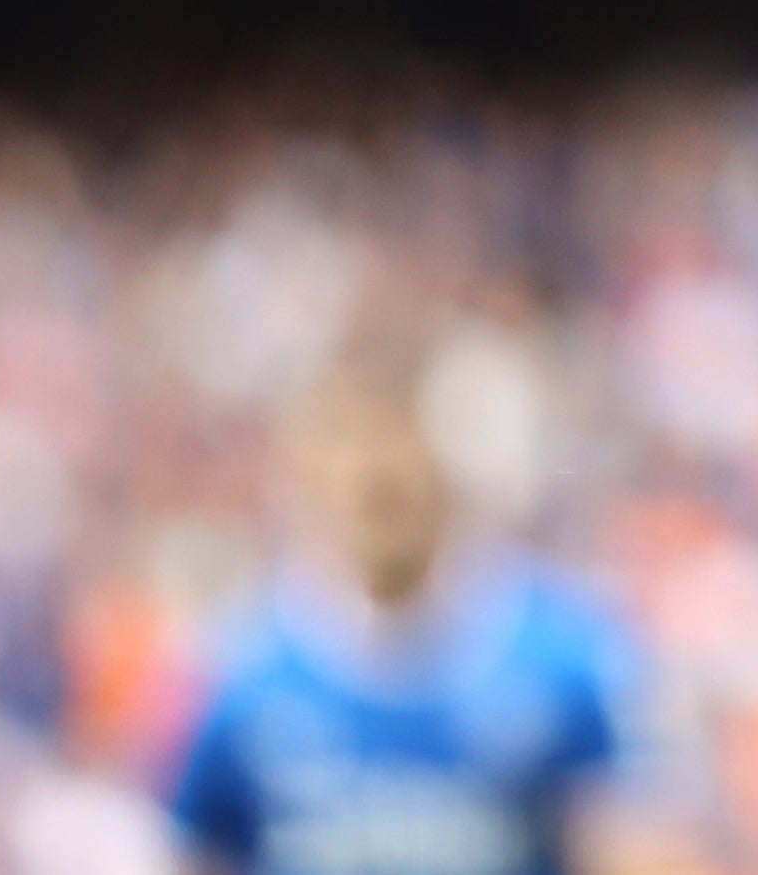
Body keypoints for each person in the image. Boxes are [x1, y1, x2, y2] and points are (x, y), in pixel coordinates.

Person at [167, 352, 654, 875]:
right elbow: (194, 851)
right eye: (352, 452)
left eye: (402, 452)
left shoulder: (565, 657)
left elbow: (623, 844)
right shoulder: (236, 667)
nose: (379, 472)